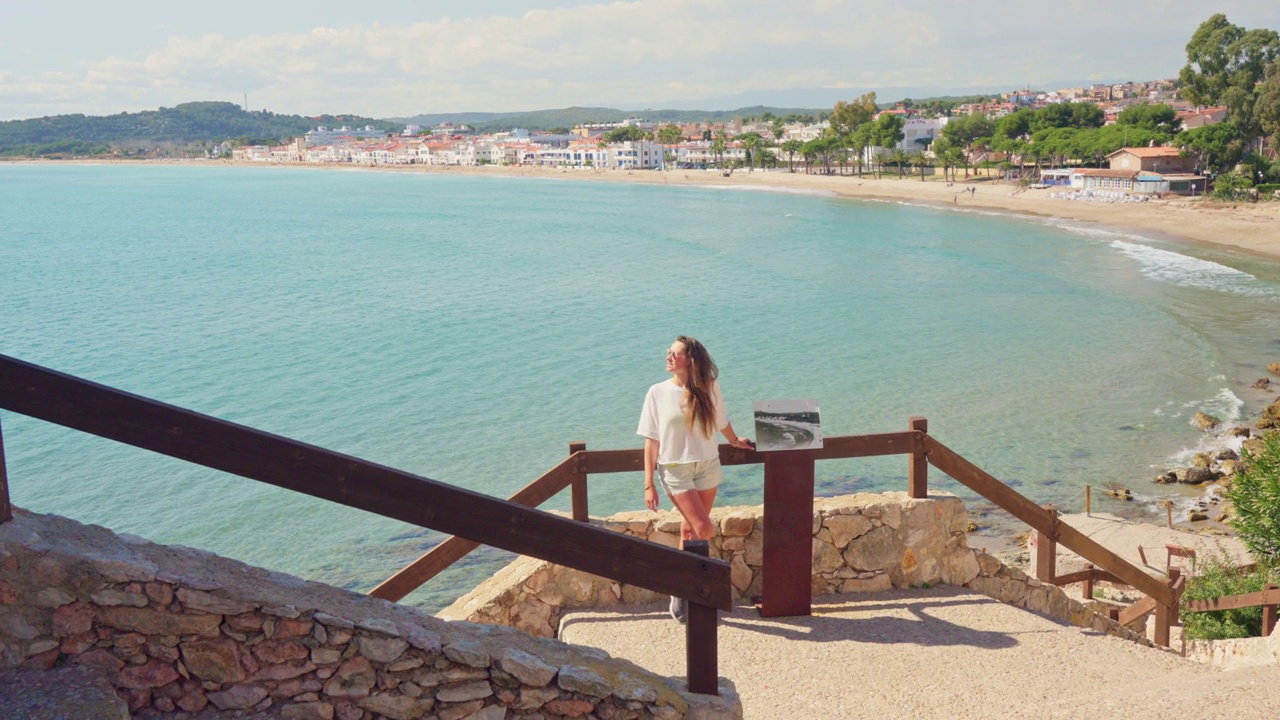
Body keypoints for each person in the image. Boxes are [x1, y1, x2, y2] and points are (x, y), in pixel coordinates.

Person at [637, 335, 753, 623]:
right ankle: (695, 589)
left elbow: (721, 420)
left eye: (674, 353)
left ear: (689, 360)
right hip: (675, 469)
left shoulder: (709, 387)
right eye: (668, 352)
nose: (668, 357)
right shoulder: (657, 392)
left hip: (707, 465)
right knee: (704, 527)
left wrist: (735, 440)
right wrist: (648, 483)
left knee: (689, 532)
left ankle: (681, 592)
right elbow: (652, 440)